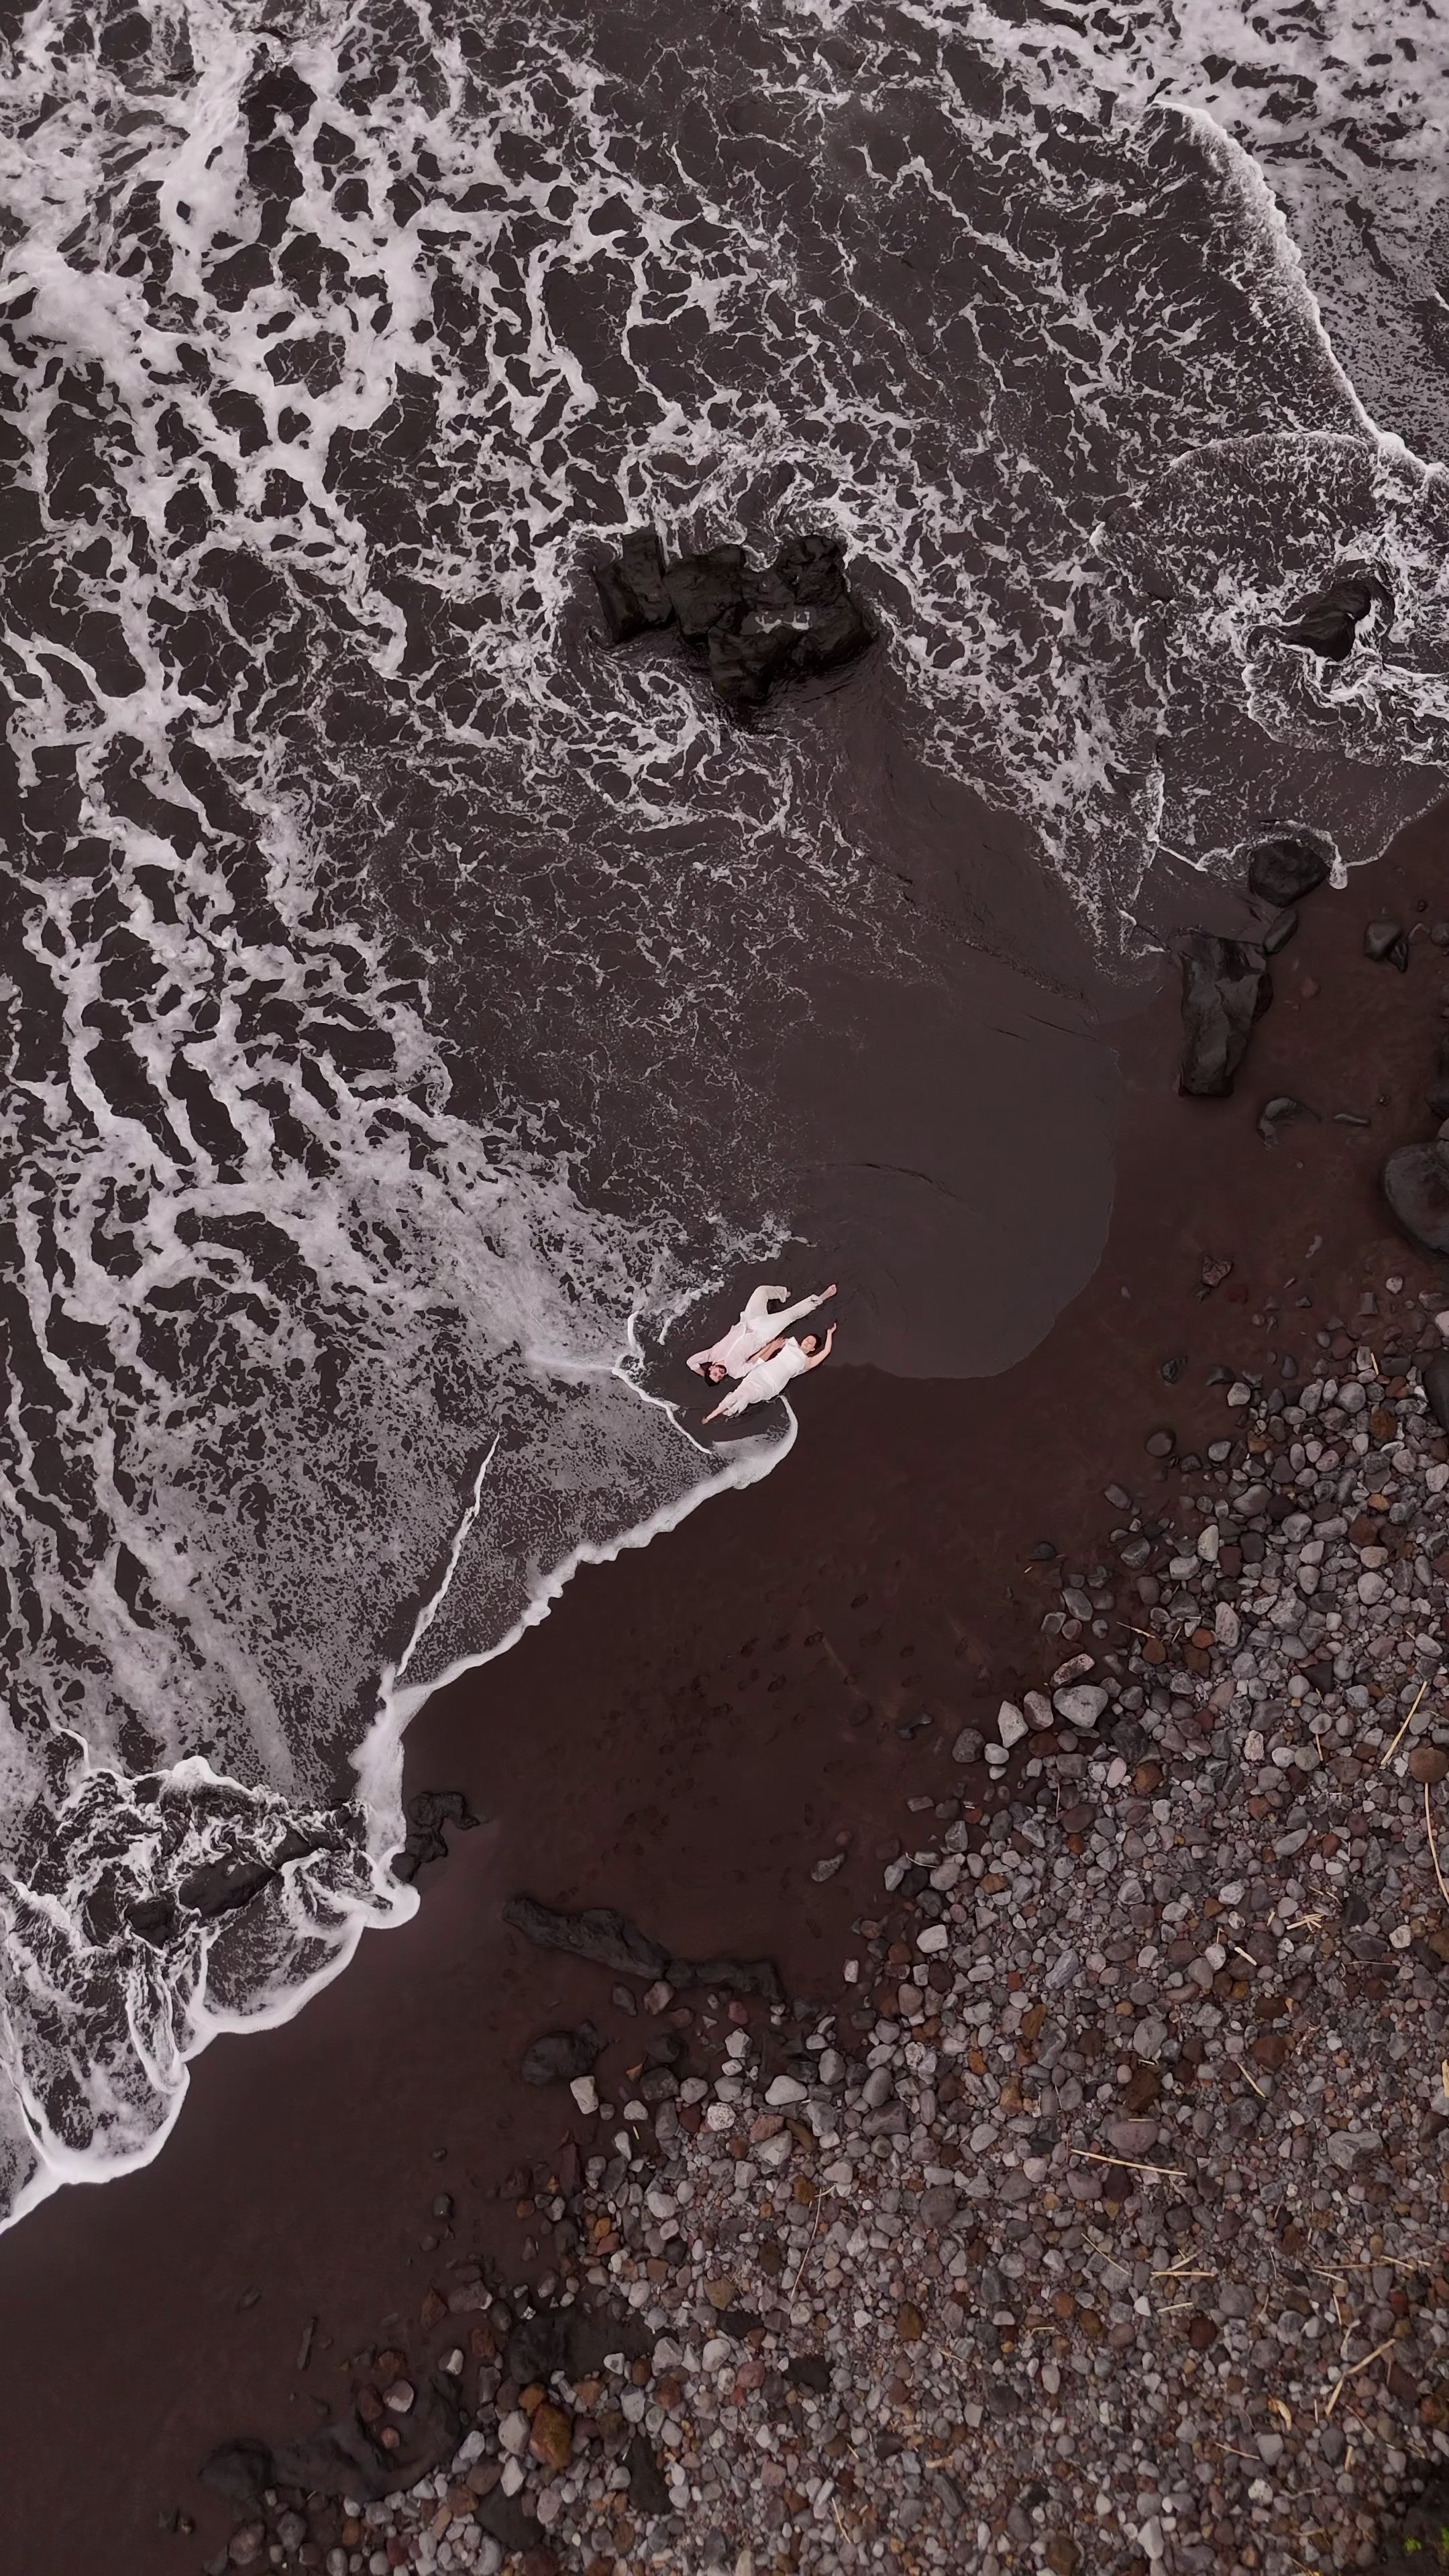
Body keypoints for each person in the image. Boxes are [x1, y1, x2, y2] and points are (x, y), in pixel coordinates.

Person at [688, 1281, 837, 1384]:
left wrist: (703, 1376)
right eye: (719, 1378)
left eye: (715, 1374)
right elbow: (757, 1361)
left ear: (711, 1368)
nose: (719, 1374)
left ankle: (782, 1293)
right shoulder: (735, 1373)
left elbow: (691, 1362)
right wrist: (772, 1347)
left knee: (761, 1291)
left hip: (746, 1320)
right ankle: (820, 1298)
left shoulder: (711, 1354)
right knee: (791, 1315)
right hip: (762, 1333)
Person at [702, 1323, 837, 1424]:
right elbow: (771, 1343)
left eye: (811, 1343)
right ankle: (711, 1416)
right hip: (760, 1373)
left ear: (813, 1349)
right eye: (808, 1339)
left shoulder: (807, 1362)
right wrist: (767, 1348)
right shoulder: (790, 1343)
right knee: (738, 1393)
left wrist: (829, 1334)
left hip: (772, 1384)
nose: (808, 1342)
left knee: (746, 1397)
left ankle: (731, 1412)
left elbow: (826, 1352)